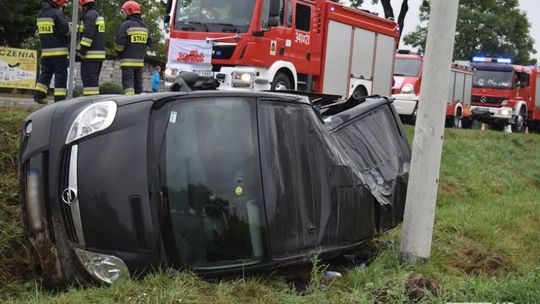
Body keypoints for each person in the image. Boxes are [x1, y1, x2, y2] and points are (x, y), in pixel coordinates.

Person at [33, 0, 71, 104]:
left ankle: (39, 95)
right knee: (60, 75)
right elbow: (66, 30)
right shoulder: (56, 13)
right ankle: (59, 100)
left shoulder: (40, 13)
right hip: (59, 51)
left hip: (46, 51)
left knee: (46, 72)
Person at [115, 1, 153, 95]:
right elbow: (150, 42)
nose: (123, 14)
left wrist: (119, 53)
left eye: (124, 12)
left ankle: (129, 103)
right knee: (138, 85)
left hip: (127, 62)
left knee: (128, 86)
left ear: (129, 11)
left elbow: (119, 44)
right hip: (140, 62)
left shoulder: (125, 25)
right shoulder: (145, 26)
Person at [77, 0, 106, 96]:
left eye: (80, 6)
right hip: (97, 56)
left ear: (84, 6)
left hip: (90, 56)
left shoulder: (89, 16)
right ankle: (92, 101)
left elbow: (88, 35)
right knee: (93, 83)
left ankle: (90, 102)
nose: (79, 8)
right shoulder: (97, 14)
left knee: (89, 83)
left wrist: (82, 51)